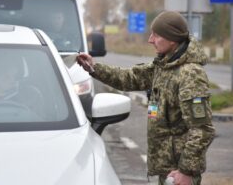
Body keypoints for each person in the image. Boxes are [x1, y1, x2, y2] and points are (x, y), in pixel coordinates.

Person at [77, 11, 215, 185]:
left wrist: (186, 171)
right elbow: (129, 78)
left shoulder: (190, 74)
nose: (150, 40)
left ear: (172, 39)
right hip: (168, 170)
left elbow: (202, 129)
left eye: (156, 35)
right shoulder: (163, 66)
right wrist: (93, 67)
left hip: (179, 173)